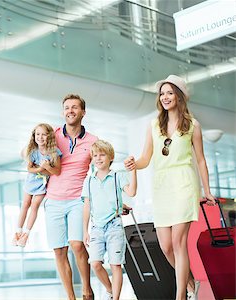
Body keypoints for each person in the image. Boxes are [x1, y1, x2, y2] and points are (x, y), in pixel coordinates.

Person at [124, 75, 216, 300]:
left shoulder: (193, 125)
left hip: (184, 183)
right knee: (165, 246)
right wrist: (135, 163)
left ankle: (180, 295)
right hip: (162, 185)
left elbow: (201, 160)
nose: (165, 97)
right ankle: (192, 284)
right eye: (162, 93)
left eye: (169, 93)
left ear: (179, 96)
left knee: (178, 242)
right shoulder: (154, 125)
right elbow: (146, 158)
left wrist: (207, 190)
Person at [44, 94, 98, 300]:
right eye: (67, 107)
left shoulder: (93, 141)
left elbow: (100, 170)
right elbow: (29, 150)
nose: (70, 111)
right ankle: (70, 297)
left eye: (75, 107)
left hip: (78, 199)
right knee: (59, 250)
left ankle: (86, 289)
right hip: (54, 200)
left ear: (83, 112)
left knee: (77, 244)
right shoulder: (53, 135)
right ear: (62, 112)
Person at [83, 140, 137, 300]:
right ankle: (110, 290)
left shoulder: (117, 176)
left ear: (110, 157)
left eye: (102, 155)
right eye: (95, 155)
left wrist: (133, 171)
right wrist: (85, 231)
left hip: (114, 226)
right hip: (96, 228)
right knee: (95, 263)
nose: (98, 158)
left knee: (115, 265)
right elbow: (87, 206)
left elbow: (132, 192)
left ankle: (116, 298)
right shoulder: (89, 180)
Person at [13, 123, 62, 247]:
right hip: (30, 182)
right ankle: (17, 232)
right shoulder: (33, 151)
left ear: (49, 136)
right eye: (38, 134)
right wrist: (43, 168)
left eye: (44, 134)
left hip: (42, 185)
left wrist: (46, 168)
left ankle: (26, 234)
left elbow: (56, 172)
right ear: (34, 136)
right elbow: (30, 169)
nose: (40, 137)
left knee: (34, 206)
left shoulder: (54, 152)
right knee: (25, 204)